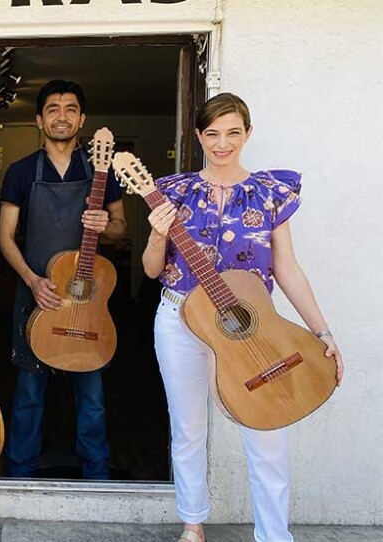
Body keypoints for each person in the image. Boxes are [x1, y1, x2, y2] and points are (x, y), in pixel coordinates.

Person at [141, 92, 344, 542]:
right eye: (213, 133)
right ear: (199, 136)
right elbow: (153, 269)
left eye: (233, 133)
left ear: (248, 134)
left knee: (270, 427)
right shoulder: (174, 191)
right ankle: (192, 524)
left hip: (251, 323)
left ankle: (274, 535)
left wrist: (322, 331)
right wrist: (156, 235)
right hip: (180, 319)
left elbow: (287, 269)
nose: (223, 143)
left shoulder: (269, 193)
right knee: (187, 427)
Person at [0, 79, 126, 480]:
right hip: (38, 294)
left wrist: (105, 225)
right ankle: (20, 474)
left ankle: (97, 474)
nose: (61, 116)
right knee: (28, 396)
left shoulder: (100, 171)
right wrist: (33, 281)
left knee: (92, 398)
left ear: (82, 119)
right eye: (52, 109)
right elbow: (4, 237)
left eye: (70, 109)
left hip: (87, 299)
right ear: (39, 120)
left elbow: (120, 229)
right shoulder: (21, 172)